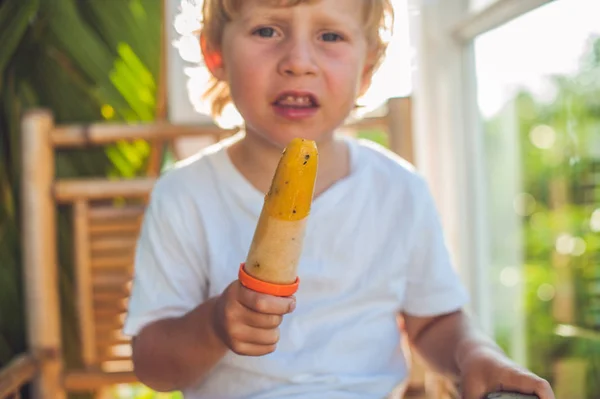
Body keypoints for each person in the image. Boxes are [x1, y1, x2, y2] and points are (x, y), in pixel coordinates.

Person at [123, 1, 555, 398]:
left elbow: (435, 321)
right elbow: (153, 364)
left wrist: (475, 354)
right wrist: (214, 325)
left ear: (366, 70)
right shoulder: (183, 196)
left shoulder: (398, 190)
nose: (298, 62)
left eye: (330, 36)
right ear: (215, 53)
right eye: (268, 31)